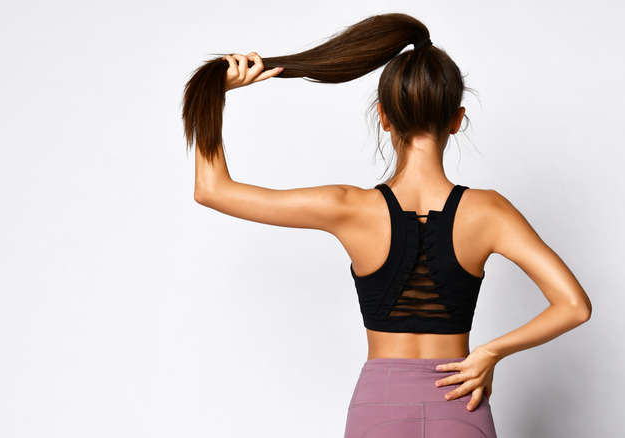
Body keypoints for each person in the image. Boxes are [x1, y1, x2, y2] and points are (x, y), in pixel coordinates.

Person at [182, 13, 592, 438]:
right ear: (457, 119)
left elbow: (212, 190)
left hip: (379, 405)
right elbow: (574, 306)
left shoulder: (347, 207)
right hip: (460, 401)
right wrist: (489, 353)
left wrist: (216, 94)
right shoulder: (488, 212)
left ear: (383, 116)